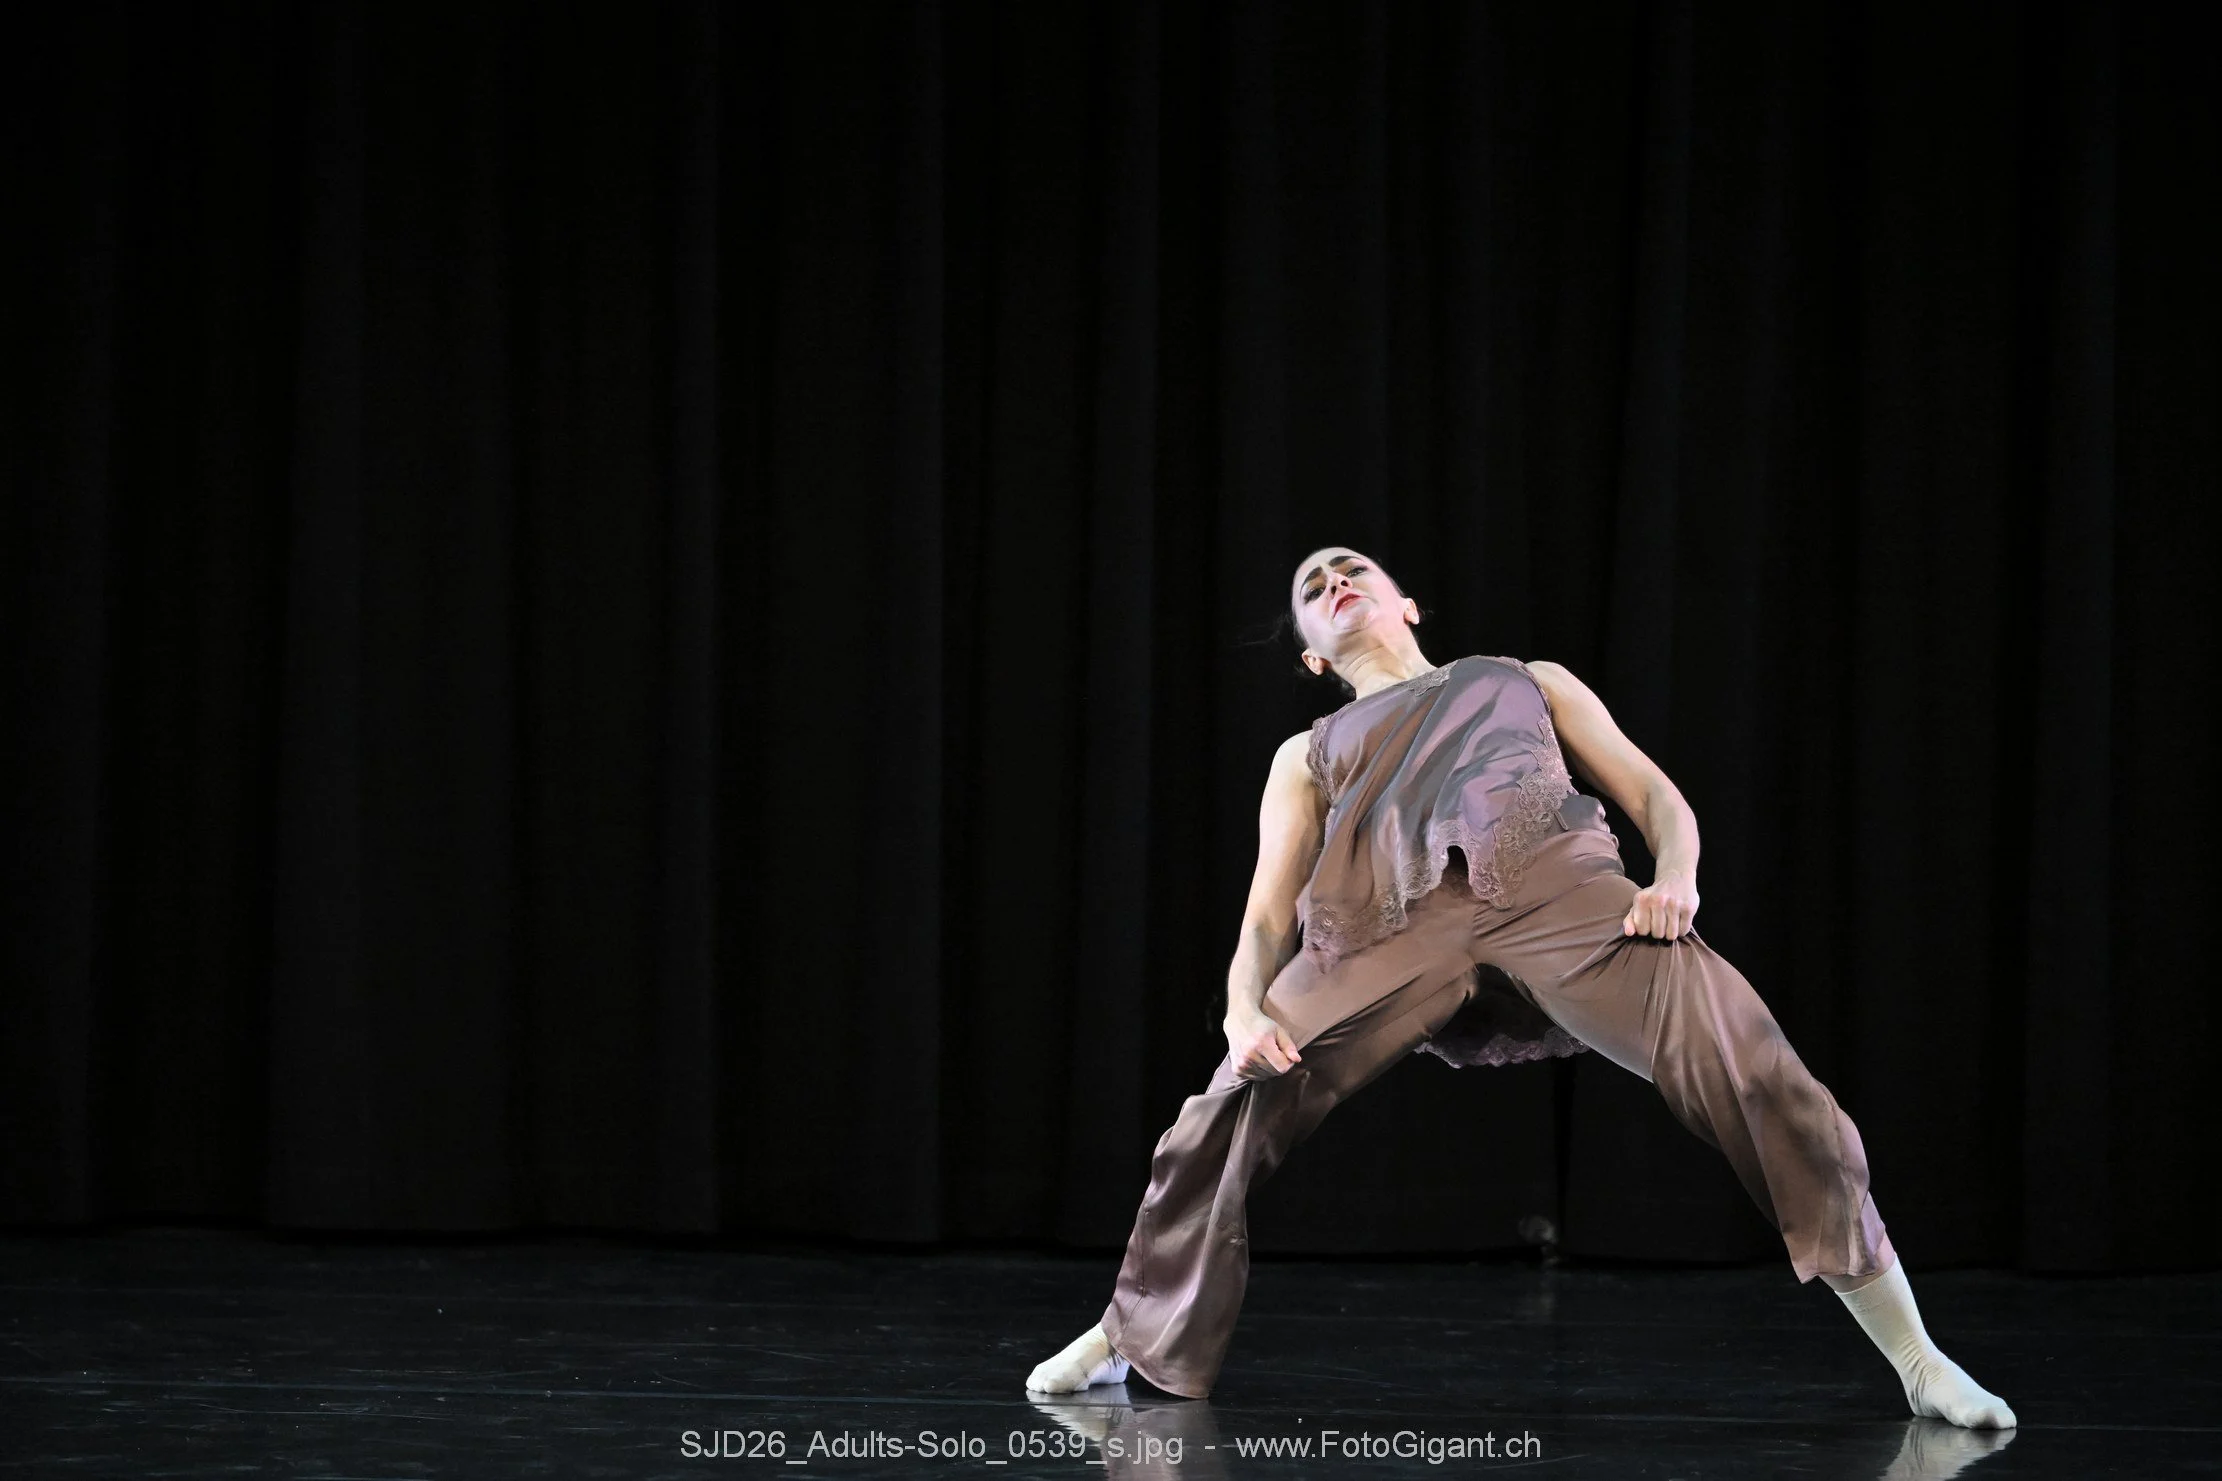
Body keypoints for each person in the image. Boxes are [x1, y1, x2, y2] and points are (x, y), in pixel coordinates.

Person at [1024, 545, 2017, 1430]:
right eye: (1311, 589)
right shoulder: (1307, 753)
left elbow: (1652, 793)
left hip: (1560, 892)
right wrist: (1243, 1010)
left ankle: (1916, 1356)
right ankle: (1125, 1332)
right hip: (1389, 928)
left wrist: (1674, 877)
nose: (1333, 584)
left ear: (1405, 603)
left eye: (1351, 570)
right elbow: (1262, 915)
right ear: (1312, 657)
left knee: (1755, 1068)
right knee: (1230, 1101)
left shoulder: (1523, 679)